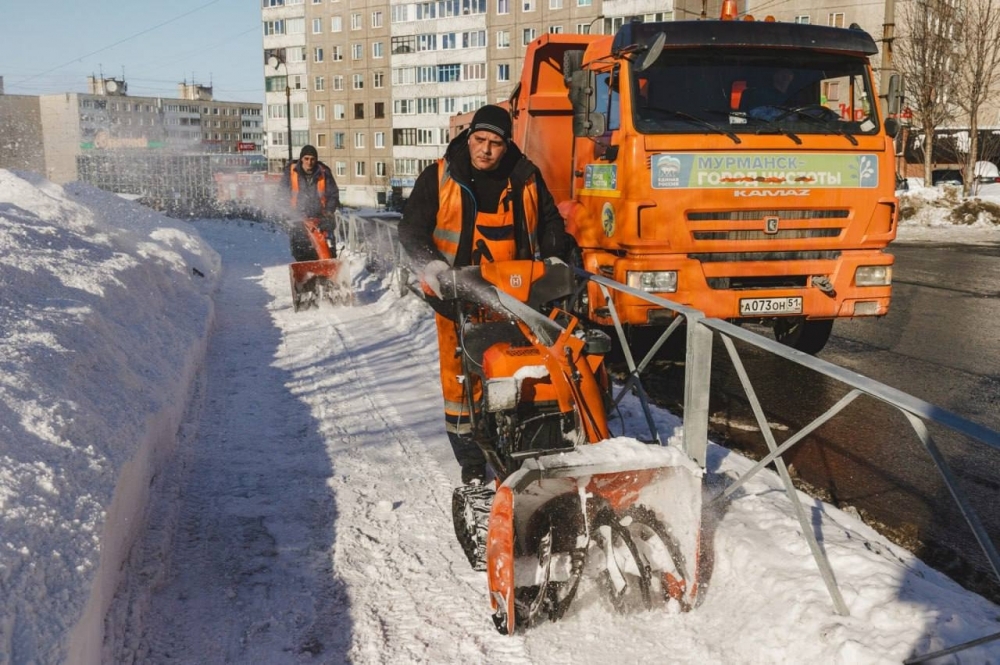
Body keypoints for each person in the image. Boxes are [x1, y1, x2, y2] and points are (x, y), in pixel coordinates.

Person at [398, 104, 573, 485]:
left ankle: (523, 448)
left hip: (517, 298)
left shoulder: (526, 177)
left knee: (521, 374)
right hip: (455, 300)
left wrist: (557, 257)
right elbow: (411, 230)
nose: (486, 151)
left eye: (496, 143)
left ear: (506, 144)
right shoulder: (440, 177)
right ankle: (472, 465)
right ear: (468, 136)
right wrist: (432, 267)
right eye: (480, 140)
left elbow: (549, 223)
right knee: (461, 383)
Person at [282, 144, 340, 260]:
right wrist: (287, 212)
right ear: (301, 159)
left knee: (328, 250)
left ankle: (330, 273)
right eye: (306, 158)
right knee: (302, 251)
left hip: (321, 218)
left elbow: (333, 194)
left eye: (313, 159)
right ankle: (307, 274)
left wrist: (329, 211)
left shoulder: (324, 173)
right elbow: (281, 195)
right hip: (298, 219)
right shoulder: (291, 173)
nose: (309, 162)